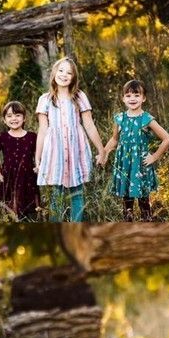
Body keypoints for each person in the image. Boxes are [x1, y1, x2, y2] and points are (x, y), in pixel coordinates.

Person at [35, 57, 106, 221]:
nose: (64, 75)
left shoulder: (79, 97)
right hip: (56, 152)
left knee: (77, 194)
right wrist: (38, 157)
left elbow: (89, 125)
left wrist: (101, 150)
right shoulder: (45, 99)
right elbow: (43, 129)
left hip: (76, 150)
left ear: (73, 77)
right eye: (61, 70)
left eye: (69, 72)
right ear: (54, 73)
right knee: (57, 196)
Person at [100, 79, 169, 221]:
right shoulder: (119, 119)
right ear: (123, 98)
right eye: (128, 95)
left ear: (143, 98)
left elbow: (167, 139)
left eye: (137, 95)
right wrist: (104, 153)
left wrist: (154, 157)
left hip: (140, 166)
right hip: (124, 165)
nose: (132, 98)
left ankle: (147, 222)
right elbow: (114, 139)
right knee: (127, 202)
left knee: (144, 201)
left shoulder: (147, 119)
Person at [0, 101, 39, 220]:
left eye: (17, 115)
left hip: (28, 178)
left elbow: (40, 155)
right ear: (4, 120)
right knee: (9, 210)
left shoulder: (33, 137)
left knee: (30, 211)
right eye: (9, 115)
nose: (14, 118)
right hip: (9, 178)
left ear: (24, 118)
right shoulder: (2, 137)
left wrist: (39, 166)